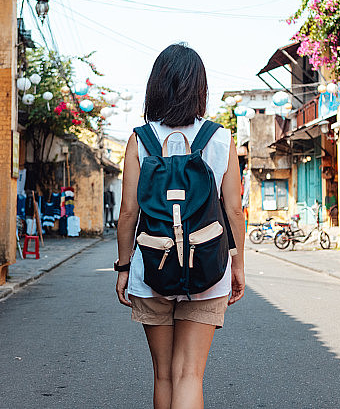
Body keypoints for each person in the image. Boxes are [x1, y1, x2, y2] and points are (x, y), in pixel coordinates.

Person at [115, 43, 246, 409]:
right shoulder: (220, 139)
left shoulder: (140, 141)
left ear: (156, 86)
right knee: (190, 373)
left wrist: (124, 268)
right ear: (200, 88)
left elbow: (128, 213)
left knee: (164, 375)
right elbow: (233, 211)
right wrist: (237, 265)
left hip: (151, 266)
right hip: (208, 267)